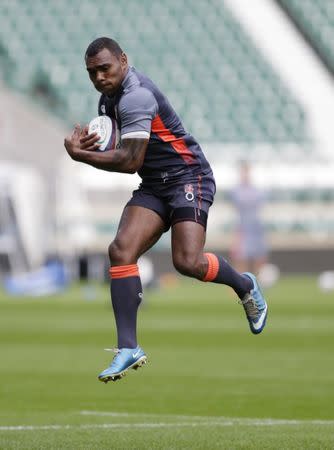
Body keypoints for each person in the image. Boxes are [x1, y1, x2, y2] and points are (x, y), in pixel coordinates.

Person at [64, 37, 268, 383]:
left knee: (187, 261)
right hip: (156, 185)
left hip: (189, 176)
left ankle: (245, 286)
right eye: (92, 72)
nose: (99, 77)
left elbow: (130, 161)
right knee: (120, 250)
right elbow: (123, 148)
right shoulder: (107, 102)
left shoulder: (137, 97)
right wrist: (94, 144)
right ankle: (128, 347)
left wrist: (81, 155)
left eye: (104, 68)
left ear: (123, 61)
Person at [229, 161, 268, 275]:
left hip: (256, 227)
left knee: (259, 257)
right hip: (243, 226)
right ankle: (238, 284)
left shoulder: (256, 190)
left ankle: (257, 285)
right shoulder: (236, 191)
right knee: (240, 258)